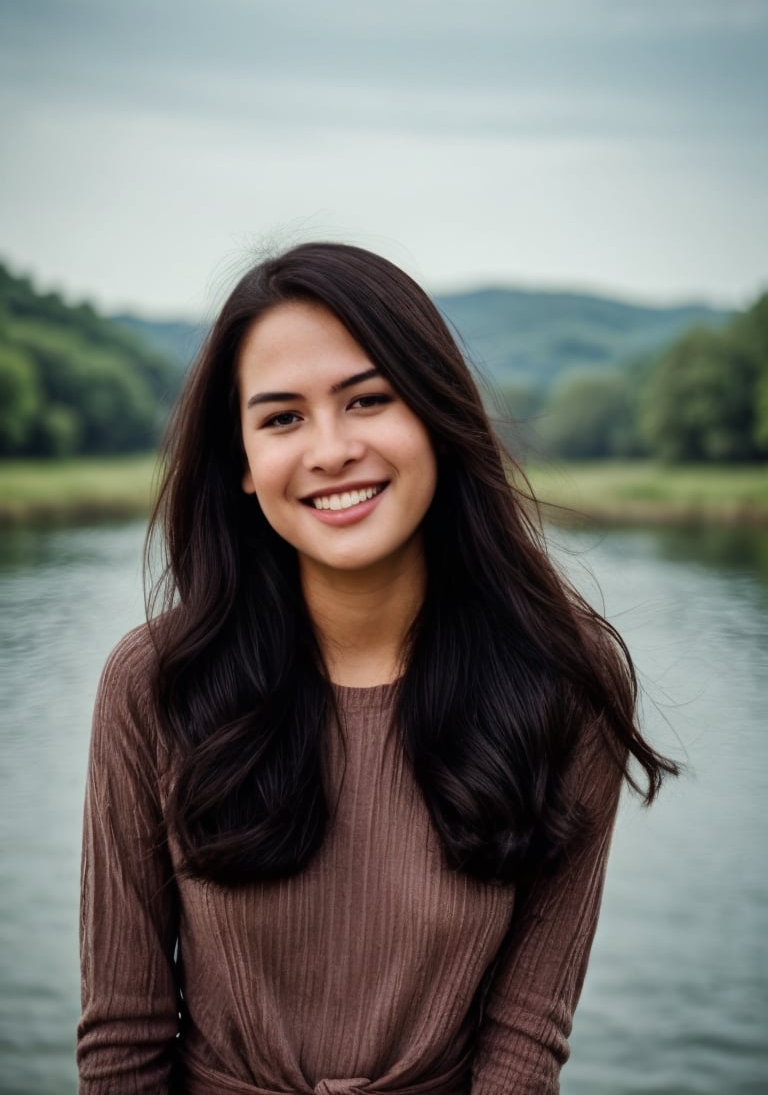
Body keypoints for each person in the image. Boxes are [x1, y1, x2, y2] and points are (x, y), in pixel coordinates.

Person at [78, 242, 677, 1095]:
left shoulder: (562, 682)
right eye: (282, 418)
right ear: (243, 466)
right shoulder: (153, 684)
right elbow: (122, 1043)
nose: (331, 450)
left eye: (367, 400)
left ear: (435, 413)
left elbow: (526, 1039)